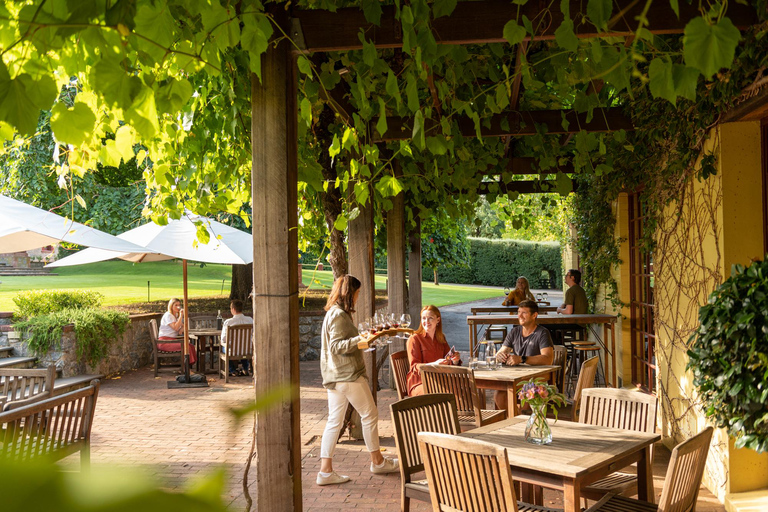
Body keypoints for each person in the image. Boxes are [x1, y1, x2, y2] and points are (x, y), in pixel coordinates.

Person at [317, 275, 399, 486]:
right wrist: (362, 339)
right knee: (370, 414)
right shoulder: (338, 315)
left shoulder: (334, 313)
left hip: (335, 376)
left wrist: (363, 340)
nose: (358, 297)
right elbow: (337, 346)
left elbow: (343, 343)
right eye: (357, 293)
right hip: (347, 375)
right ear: (349, 293)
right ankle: (377, 461)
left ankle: (325, 472)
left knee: (334, 421)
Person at [493, 300, 554, 411]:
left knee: (527, 396)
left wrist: (522, 359)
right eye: (518, 312)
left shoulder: (542, 333)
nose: (519, 315)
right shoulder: (514, 332)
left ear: (534, 315)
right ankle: (512, 419)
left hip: (536, 380)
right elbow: (501, 352)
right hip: (516, 378)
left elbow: (548, 359)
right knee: (500, 394)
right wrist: (500, 356)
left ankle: (521, 418)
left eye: (524, 313)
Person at [406, 305, 461, 397]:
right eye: (424, 318)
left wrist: (455, 360)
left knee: (462, 389)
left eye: (430, 318)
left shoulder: (441, 338)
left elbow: (449, 360)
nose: (426, 322)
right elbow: (414, 367)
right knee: (443, 393)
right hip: (419, 382)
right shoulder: (414, 339)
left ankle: (456, 411)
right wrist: (434, 364)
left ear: (438, 320)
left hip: (439, 380)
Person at [157, 298, 197, 366]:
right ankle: (186, 369)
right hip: (164, 342)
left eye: (179, 305)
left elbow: (182, 327)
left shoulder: (174, 316)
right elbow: (175, 328)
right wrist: (181, 316)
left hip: (171, 340)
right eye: (175, 305)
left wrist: (182, 327)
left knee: (191, 346)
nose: (178, 307)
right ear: (171, 306)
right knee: (186, 346)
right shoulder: (168, 315)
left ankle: (188, 366)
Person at [220, 299, 253, 376]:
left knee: (224, 347)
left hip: (233, 351)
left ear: (233, 309)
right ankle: (245, 368)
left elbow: (223, 339)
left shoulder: (228, 322)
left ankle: (232, 370)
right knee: (243, 347)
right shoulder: (250, 320)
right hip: (248, 350)